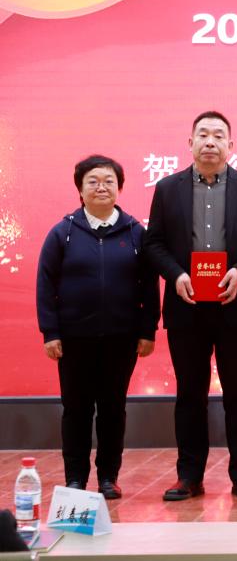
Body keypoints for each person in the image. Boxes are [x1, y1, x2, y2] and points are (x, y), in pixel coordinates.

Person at [144, 111, 237, 501]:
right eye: (203, 135)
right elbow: (154, 244)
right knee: (190, 394)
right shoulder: (167, 188)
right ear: (190, 143)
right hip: (186, 305)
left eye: (219, 136)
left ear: (231, 145)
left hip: (235, 304)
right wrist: (175, 275)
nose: (210, 142)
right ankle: (189, 475)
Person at [36, 155, 159, 499]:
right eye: (93, 181)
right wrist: (50, 332)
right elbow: (46, 284)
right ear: (80, 189)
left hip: (122, 338)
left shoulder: (135, 233)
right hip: (74, 339)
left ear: (119, 188)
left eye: (108, 181)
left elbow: (150, 286)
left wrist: (147, 330)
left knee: (112, 409)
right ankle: (75, 478)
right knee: (76, 409)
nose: (101, 187)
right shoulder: (63, 233)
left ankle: (108, 477)